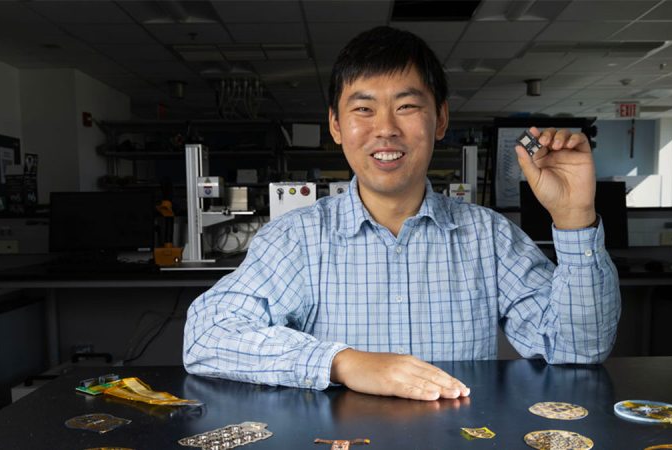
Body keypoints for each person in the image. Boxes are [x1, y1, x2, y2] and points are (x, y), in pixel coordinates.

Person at [183, 26, 621, 402]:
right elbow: (206, 337)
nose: (386, 128)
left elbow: (578, 348)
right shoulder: (298, 239)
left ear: (441, 119)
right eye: (363, 109)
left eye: (407, 106)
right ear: (336, 125)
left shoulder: (489, 237)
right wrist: (342, 363)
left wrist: (574, 217)